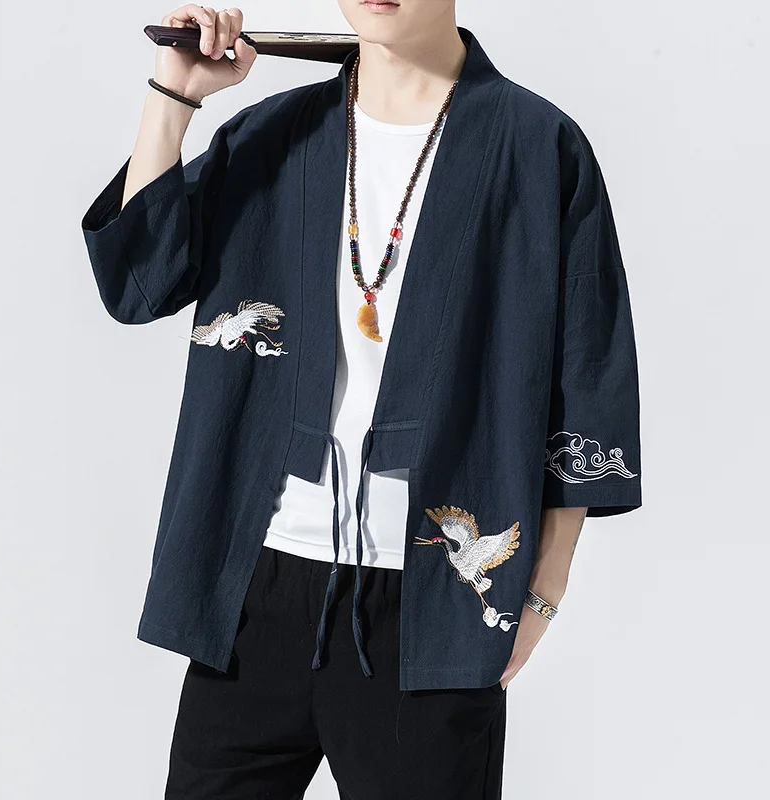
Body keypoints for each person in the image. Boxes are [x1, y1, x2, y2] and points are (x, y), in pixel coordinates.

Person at [80, 1, 642, 797]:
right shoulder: (274, 134)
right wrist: (175, 95)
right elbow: (138, 282)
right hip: (255, 585)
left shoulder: (538, 145)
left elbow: (589, 380)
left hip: (430, 608)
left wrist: (541, 595)